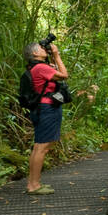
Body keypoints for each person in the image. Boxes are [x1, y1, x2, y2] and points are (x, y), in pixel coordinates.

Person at [23, 40, 68, 195]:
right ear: (35, 53)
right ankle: (34, 185)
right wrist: (56, 54)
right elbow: (64, 75)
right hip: (47, 108)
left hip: (41, 108)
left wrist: (53, 59)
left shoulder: (37, 67)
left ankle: (33, 183)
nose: (45, 49)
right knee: (41, 148)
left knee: (39, 147)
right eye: (41, 48)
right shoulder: (41, 67)